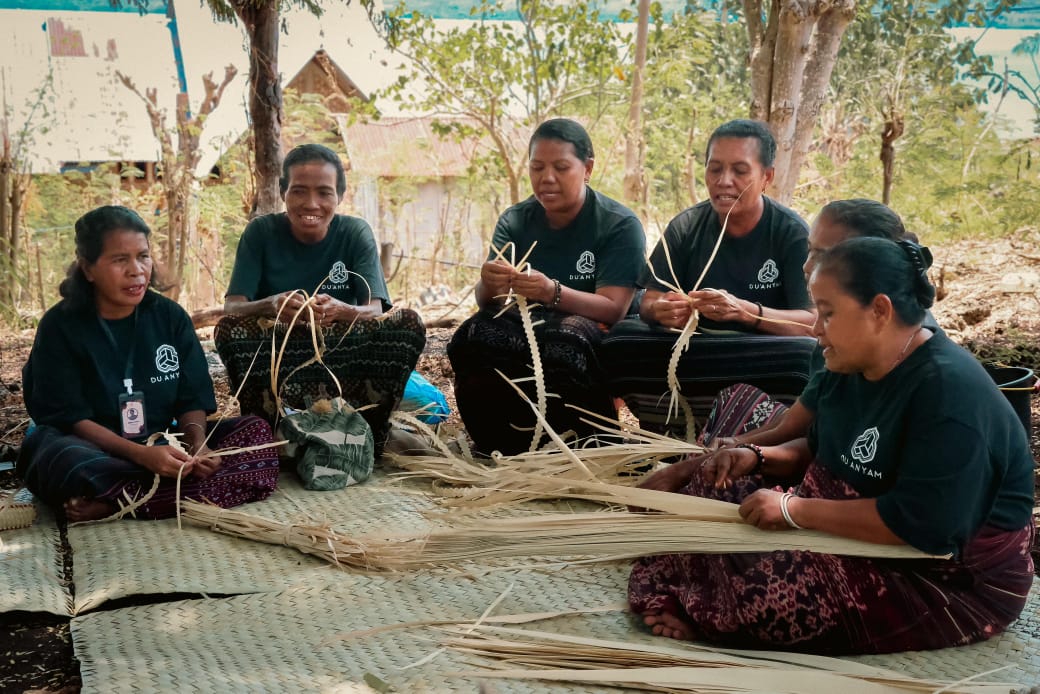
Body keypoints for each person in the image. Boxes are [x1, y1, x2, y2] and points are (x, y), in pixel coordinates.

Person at [628, 237, 1035, 654]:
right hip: (855, 515)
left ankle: (712, 610)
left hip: (942, 574)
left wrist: (793, 510)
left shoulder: (949, 397)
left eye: (828, 313)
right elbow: (819, 448)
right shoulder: (850, 361)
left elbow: (922, 526)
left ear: (879, 311)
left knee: (775, 596)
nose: (816, 328)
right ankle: (709, 596)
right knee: (713, 489)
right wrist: (755, 457)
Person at [18, 206, 279, 522]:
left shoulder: (169, 317)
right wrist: (141, 456)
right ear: (87, 268)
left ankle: (121, 502)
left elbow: (191, 396)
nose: (136, 270)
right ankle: (162, 495)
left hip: (163, 443)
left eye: (143, 256)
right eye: (119, 260)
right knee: (57, 457)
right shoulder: (60, 326)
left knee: (257, 435)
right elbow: (69, 417)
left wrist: (197, 445)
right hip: (95, 451)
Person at [599, 119, 816, 437]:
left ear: (766, 177)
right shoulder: (686, 226)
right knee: (622, 340)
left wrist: (744, 312)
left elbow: (810, 322)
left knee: (806, 355)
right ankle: (669, 437)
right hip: (696, 349)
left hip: (759, 351)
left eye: (740, 171)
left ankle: (759, 436)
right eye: (715, 169)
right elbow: (648, 299)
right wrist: (662, 309)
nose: (724, 181)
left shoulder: (791, 233)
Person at [448, 118, 646, 455]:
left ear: (587, 168)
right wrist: (489, 282)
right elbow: (488, 302)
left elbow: (614, 308)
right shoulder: (515, 220)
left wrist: (551, 292)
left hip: (594, 332)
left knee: (564, 340)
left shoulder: (618, 224)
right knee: (473, 336)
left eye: (560, 167)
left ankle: (594, 445)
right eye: (537, 167)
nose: (547, 178)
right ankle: (501, 445)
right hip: (527, 325)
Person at [214, 144, 426, 454]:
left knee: (406, 323)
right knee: (230, 330)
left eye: (324, 193)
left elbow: (376, 308)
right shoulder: (260, 232)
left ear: (339, 196)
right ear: (283, 192)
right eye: (299, 191)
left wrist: (342, 310)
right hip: (280, 361)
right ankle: (269, 431)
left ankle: (370, 428)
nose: (311, 203)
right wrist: (272, 305)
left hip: (341, 362)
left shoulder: (355, 232)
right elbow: (232, 308)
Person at [697, 198, 936, 451]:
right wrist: (736, 447)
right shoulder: (847, 332)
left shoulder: (888, 346)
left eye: (824, 255)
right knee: (737, 399)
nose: (807, 265)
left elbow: (816, 441)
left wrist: (750, 454)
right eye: (809, 250)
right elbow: (802, 420)